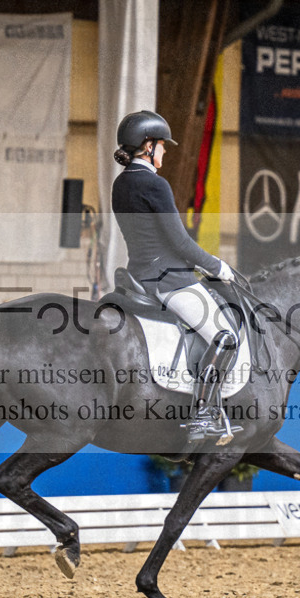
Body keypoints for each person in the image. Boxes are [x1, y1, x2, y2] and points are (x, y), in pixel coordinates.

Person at [111, 110, 242, 448]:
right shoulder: (155, 184)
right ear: (148, 145)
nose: (165, 152)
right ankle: (204, 413)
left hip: (138, 274)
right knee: (226, 336)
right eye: (162, 145)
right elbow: (180, 242)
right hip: (168, 280)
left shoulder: (120, 183)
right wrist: (218, 267)